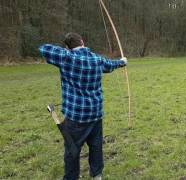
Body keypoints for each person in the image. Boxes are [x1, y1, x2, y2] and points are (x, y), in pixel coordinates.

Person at [39, 32, 127, 180]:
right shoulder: (97, 59)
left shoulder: (66, 58)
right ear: (82, 42)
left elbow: (43, 49)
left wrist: (67, 51)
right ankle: (97, 175)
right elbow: (111, 65)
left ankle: (72, 177)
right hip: (95, 113)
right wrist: (122, 61)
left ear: (68, 46)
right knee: (96, 146)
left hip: (76, 117)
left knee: (72, 150)